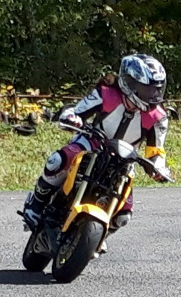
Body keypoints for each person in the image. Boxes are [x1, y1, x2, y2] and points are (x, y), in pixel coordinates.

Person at [22, 53, 170, 242]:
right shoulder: (106, 94)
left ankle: (97, 238)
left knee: (124, 216)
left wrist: (158, 167)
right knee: (57, 161)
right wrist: (72, 117)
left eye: (157, 89)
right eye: (147, 89)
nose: (154, 95)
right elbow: (78, 111)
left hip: (125, 160)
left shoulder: (158, 118)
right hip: (92, 143)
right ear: (130, 83)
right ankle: (35, 204)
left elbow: (156, 151)